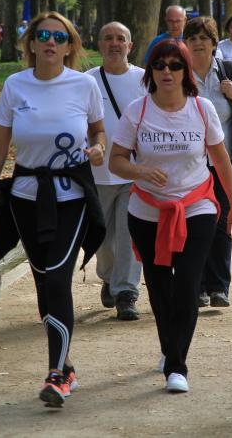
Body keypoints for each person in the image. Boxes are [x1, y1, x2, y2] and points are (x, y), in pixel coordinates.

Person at [0, 11, 107, 409]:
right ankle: (67, 365)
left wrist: (98, 147)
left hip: (72, 195)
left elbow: (98, 131)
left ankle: (56, 374)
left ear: (69, 46)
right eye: (43, 35)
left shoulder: (84, 84)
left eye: (59, 37)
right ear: (30, 43)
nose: (50, 42)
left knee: (59, 278)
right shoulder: (15, 85)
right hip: (27, 196)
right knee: (44, 282)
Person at [109, 39, 232, 394]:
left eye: (175, 65)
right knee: (159, 285)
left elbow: (222, 160)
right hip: (147, 211)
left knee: (186, 283)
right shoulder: (137, 111)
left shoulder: (201, 109)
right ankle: (171, 347)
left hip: (197, 205)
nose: (167, 71)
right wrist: (140, 171)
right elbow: (116, 160)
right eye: (159, 65)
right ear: (151, 71)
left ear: (186, 71)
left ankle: (177, 364)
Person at [184, 16, 232, 308]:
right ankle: (198, 285)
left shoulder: (228, 71)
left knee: (224, 221)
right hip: (191, 165)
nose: (198, 43)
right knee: (197, 225)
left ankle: (219, 287)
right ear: (185, 44)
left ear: (214, 43)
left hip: (227, 161)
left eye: (204, 38)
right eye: (192, 38)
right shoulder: (179, 74)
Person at [86, 22, 146, 321]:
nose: (114, 43)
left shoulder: (144, 80)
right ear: (99, 44)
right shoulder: (86, 81)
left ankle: (126, 292)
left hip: (133, 172)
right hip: (96, 174)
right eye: (108, 38)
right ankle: (109, 276)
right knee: (101, 239)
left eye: (120, 39)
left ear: (130, 46)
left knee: (129, 234)